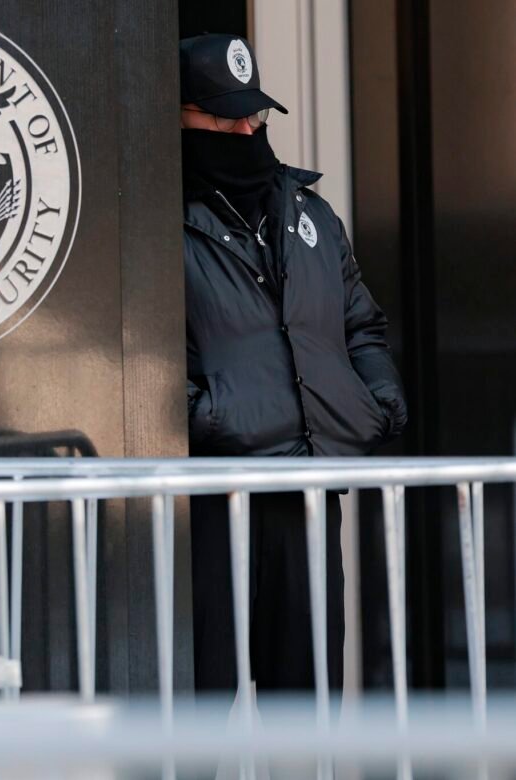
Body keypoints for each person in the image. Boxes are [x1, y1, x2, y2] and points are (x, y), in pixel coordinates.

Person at [179, 34, 408, 692]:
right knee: (197, 716)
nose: (247, 129)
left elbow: (359, 323)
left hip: (305, 493)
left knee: (305, 710)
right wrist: (212, 418)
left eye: (255, 114)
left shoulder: (309, 212)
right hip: (207, 499)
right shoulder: (153, 225)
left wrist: (377, 401)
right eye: (226, 117)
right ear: (178, 117)